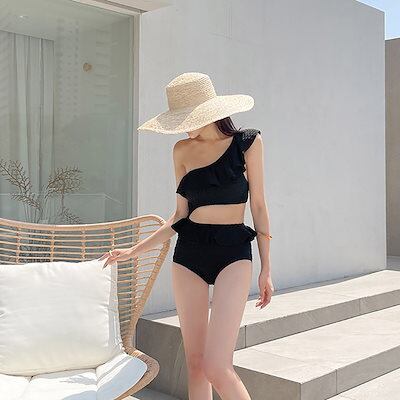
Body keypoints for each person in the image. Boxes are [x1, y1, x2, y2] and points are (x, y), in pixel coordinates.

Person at [100, 72, 274, 400]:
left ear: (207, 112)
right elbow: (179, 215)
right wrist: (133, 251)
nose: (182, 127)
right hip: (189, 254)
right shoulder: (181, 150)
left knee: (217, 366)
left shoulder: (248, 142)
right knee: (195, 364)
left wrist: (267, 269)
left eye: (186, 119)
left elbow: (260, 206)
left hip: (233, 252)